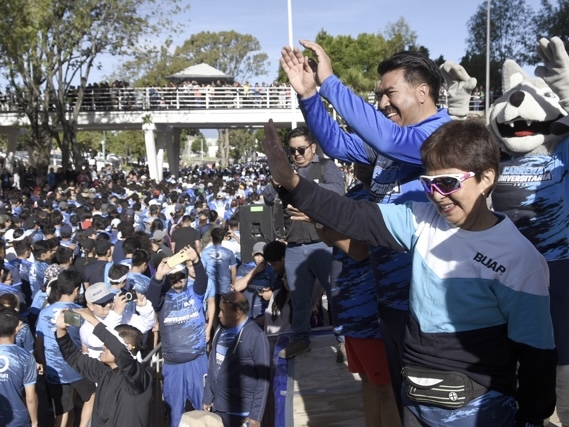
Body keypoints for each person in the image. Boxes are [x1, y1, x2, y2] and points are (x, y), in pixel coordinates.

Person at [261, 118, 557, 426]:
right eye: (429, 184)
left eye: (448, 183)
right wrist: (293, 184)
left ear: (486, 179)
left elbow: (537, 354)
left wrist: (532, 419)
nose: (437, 196)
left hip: (479, 407)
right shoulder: (422, 219)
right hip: (415, 397)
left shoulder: (520, 258)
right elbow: (355, 215)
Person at [281, 41, 451, 405]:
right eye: (379, 96)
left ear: (423, 92)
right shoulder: (390, 142)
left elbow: (389, 137)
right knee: (400, 401)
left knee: (426, 407)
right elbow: (337, 144)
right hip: (388, 300)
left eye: (390, 93)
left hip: (428, 308)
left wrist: (329, 82)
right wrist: (310, 95)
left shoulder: (441, 136)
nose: (382, 104)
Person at [262, 126, 344, 358]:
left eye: (301, 149)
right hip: (295, 246)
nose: (297, 154)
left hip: (324, 243)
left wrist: (297, 182)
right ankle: (301, 339)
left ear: (313, 148)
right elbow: (268, 199)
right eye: (292, 151)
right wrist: (277, 182)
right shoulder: (285, 171)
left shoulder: (327, 167)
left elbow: (338, 192)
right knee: (298, 298)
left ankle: (345, 341)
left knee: (336, 295)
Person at [55, 308, 153, 427]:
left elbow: (120, 351)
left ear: (128, 347)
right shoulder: (103, 371)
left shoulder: (139, 376)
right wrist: (61, 329)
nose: (103, 346)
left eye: (108, 344)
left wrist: (92, 319)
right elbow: (73, 357)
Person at [146, 246, 209, 427]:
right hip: (173, 367)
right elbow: (151, 297)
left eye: (181, 276)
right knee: (174, 413)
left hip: (197, 362)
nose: (177, 280)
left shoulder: (195, 292)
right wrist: (159, 276)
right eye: (172, 277)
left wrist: (196, 261)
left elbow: (203, 280)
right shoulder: (162, 299)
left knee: (204, 410)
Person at [35, 269, 96, 427]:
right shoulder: (77, 312)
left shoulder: (44, 313)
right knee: (91, 397)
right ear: (76, 290)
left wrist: (43, 364)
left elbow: (39, 342)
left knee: (62, 412)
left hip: (54, 371)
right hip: (76, 368)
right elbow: (85, 339)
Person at [203, 291, 270, 427]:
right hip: (219, 409)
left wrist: (256, 415)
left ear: (237, 313)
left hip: (242, 413)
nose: (219, 314)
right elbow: (213, 365)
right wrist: (207, 397)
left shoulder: (256, 336)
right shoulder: (220, 329)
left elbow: (264, 378)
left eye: (222, 311)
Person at [0, 307, 38, 427]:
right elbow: (30, 397)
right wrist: (35, 422)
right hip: (17, 420)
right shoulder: (26, 357)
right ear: (17, 329)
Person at [233, 241, 278, 321]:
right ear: (252, 254)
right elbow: (237, 287)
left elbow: (279, 290)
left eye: (262, 255)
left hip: (265, 314)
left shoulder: (273, 269)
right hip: (247, 314)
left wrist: (271, 294)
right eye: (257, 255)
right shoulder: (245, 267)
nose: (260, 258)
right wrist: (255, 271)